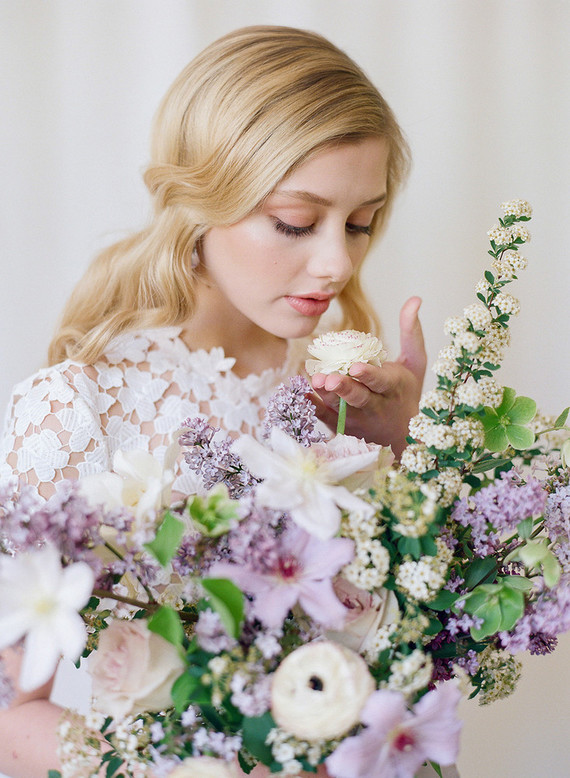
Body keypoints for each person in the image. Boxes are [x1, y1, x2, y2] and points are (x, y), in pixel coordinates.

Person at [0, 25, 430, 778]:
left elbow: (413, 652)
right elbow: (9, 711)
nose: (336, 263)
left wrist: (401, 449)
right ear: (203, 199)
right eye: (296, 222)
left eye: (361, 224)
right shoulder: (78, 408)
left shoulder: (348, 398)